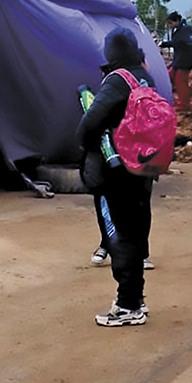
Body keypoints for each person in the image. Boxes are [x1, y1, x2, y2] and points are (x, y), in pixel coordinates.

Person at [76, 27, 156, 327]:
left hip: (116, 169)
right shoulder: (143, 76)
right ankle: (136, 301)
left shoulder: (117, 80)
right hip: (141, 165)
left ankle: (127, 305)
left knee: (119, 236)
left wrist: (85, 144)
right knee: (134, 234)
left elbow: (91, 121)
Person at [159, 11, 192, 113]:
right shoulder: (177, 30)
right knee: (170, 76)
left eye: (170, 23)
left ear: (176, 21)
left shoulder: (185, 30)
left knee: (181, 81)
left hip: (186, 60)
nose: (170, 26)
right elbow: (176, 43)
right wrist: (163, 44)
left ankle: (184, 105)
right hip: (178, 59)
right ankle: (185, 94)